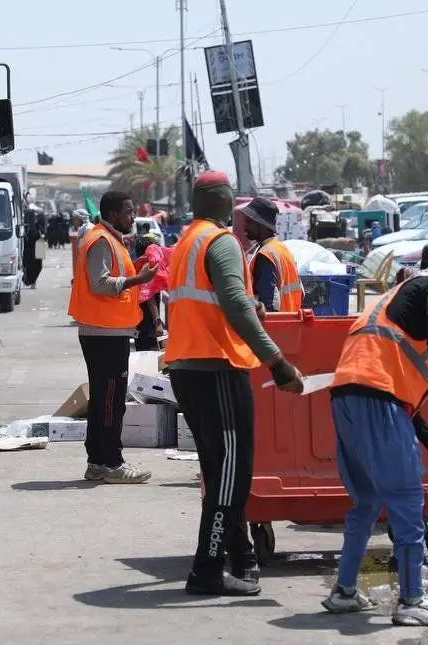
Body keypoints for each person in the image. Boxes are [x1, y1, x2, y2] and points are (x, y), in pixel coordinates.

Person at [164, 171, 305, 597]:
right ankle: (207, 569)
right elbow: (235, 304)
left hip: (189, 366)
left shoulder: (188, 241)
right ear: (226, 202)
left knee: (220, 471)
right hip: (218, 366)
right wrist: (277, 362)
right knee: (233, 475)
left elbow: (223, 301)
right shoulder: (220, 242)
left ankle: (240, 560)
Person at [321, 237, 428, 627]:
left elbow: (398, 402)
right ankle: (412, 600)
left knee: (367, 501)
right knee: (406, 499)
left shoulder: (392, 298)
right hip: (375, 400)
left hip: (347, 398)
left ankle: (344, 591)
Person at [68, 190, 157, 484]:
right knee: (109, 401)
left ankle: (98, 462)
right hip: (103, 332)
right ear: (113, 214)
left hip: (109, 330)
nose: (133, 217)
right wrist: (138, 280)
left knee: (105, 399)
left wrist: (138, 264)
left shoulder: (109, 239)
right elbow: (101, 283)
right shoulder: (102, 240)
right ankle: (110, 463)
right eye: (129, 212)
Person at [239, 197, 303, 313]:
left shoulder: (265, 255)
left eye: (249, 222)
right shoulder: (283, 249)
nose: (245, 226)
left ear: (261, 224)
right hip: (292, 323)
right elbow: (301, 292)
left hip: (275, 326)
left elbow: (269, 304)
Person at [23, 211, 44, 288]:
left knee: (36, 267)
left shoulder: (36, 226)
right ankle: (31, 282)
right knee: (31, 267)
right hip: (29, 252)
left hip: (36, 251)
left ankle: (31, 282)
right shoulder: (26, 228)